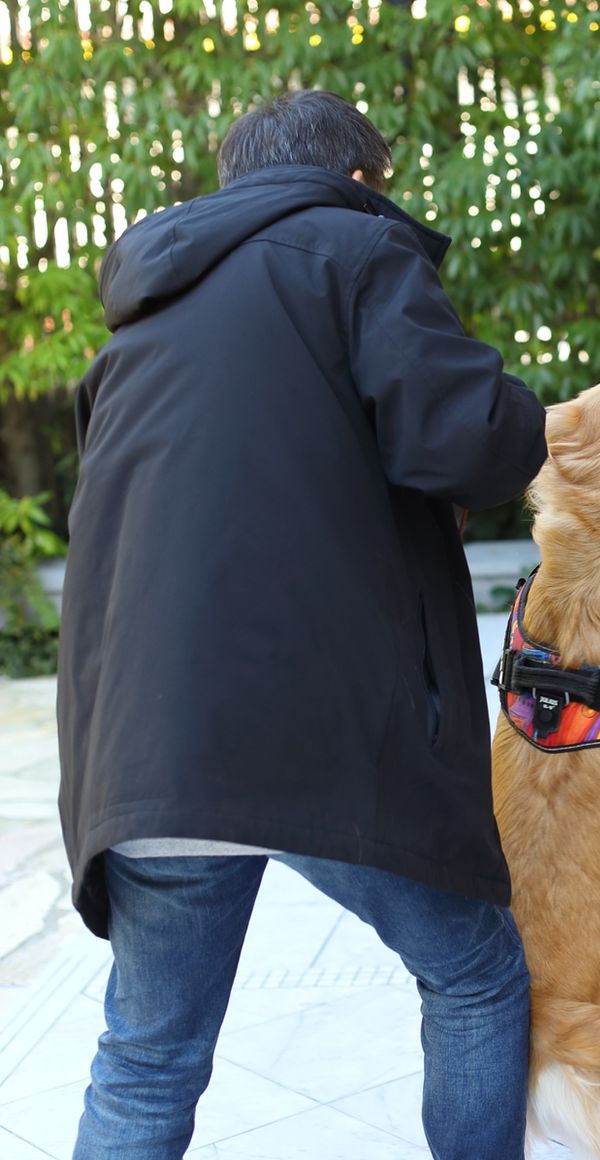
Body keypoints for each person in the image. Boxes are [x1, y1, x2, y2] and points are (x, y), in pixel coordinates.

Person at [56, 90, 546, 1157]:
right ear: (360, 177)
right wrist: (530, 418)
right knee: (473, 973)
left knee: (146, 1058)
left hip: (149, 746)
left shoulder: (146, 309)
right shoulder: (357, 247)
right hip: (325, 730)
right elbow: (462, 440)